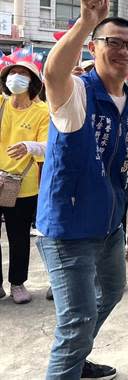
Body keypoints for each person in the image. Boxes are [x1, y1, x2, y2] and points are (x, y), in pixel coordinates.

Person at [36, 0, 128, 379]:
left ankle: (77, 356)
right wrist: (85, 22)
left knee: (111, 292)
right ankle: (70, 358)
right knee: (77, 318)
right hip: (68, 230)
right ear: (94, 48)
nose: (123, 51)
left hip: (109, 227)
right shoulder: (77, 92)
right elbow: (52, 72)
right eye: (112, 42)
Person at [0, 61, 49, 304]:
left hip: (22, 184)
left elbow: (49, 145)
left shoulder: (41, 112)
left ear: (33, 81)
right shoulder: (0, 104)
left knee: (18, 236)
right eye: (12, 73)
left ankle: (17, 283)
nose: (15, 77)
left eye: (22, 73)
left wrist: (29, 146)